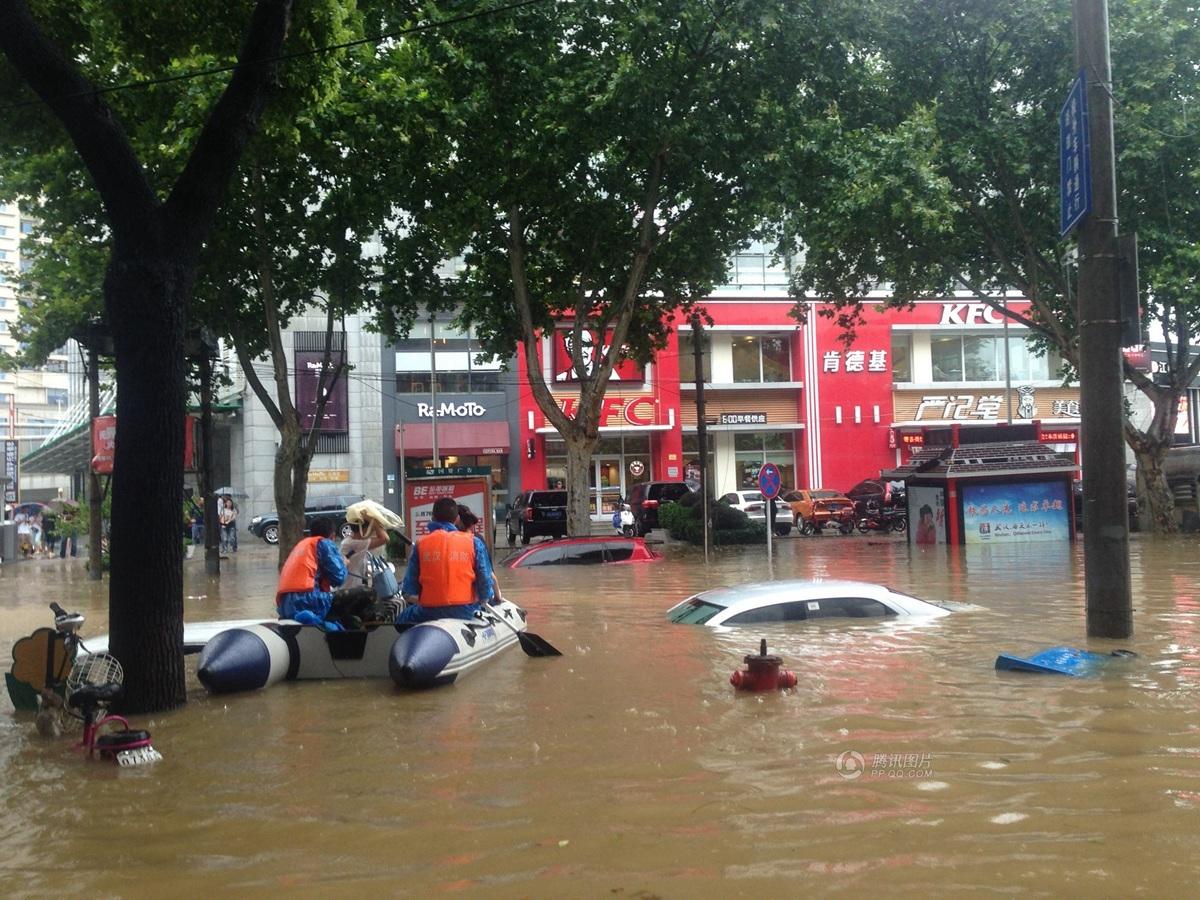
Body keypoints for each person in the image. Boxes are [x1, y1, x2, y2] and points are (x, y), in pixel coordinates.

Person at [398, 497, 495, 624]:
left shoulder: (421, 544)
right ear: (457, 519)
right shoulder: (474, 542)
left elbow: (410, 588)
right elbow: (485, 582)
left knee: (401, 620)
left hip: (428, 612)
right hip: (465, 611)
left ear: (433, 517)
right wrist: (484, 599)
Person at [276, 517, 348, 631]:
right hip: (308, 599)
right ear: (332, 535)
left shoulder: (302, 544)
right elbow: (338, 578)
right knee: (361, 595)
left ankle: (314, 620)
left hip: (284, 604)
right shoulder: (324, 543)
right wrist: (343, 563)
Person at [454, 505, 503, 602]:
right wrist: (497, 598)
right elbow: (488, 575)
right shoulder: (476, 541)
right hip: (472, 601)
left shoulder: (440, 541)